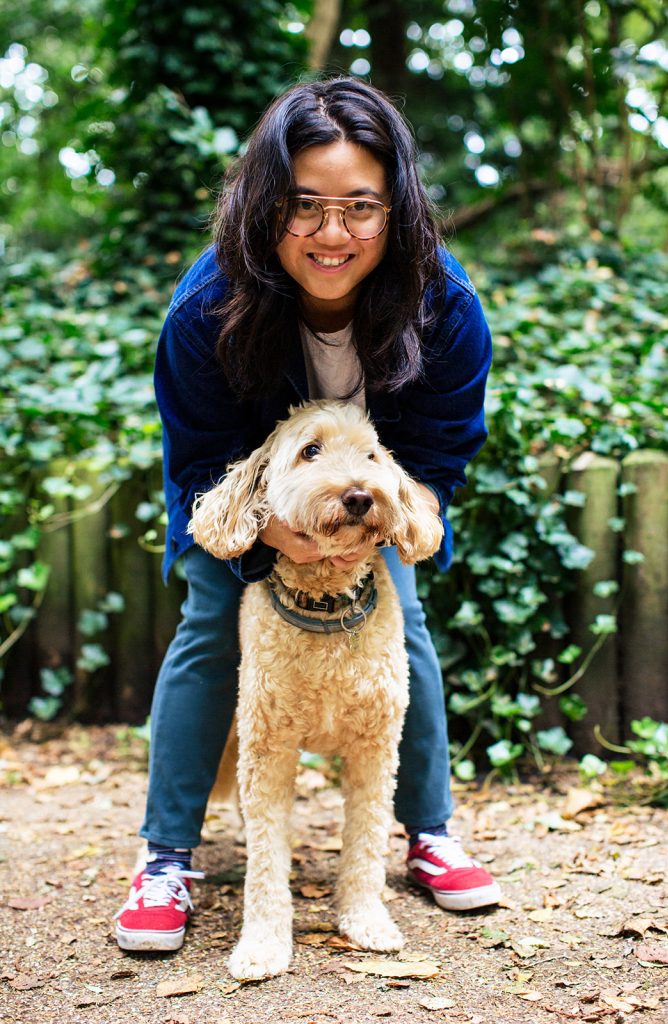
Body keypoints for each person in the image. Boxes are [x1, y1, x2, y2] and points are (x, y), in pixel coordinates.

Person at [115, 76, 500, 953]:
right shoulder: (205, 309)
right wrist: (266, 531)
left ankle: (429, 832)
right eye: (303, 206)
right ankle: (165, 855)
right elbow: (199, 461)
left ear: (395, 209)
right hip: (248, 493)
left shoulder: (445, 307)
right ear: (264, 207)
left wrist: (392, 524)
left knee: (404, 622)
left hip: (376, 499)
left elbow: (438, 454)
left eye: (360, 207)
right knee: (212, 617)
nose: (332, 233)